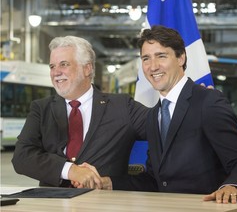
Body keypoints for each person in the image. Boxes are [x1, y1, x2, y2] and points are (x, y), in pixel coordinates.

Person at [85, 25, 237, 204]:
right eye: (146, 58)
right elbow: (155, 180)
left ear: (180, 58)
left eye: (161, 56)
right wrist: (109, 183)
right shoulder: (154, 115)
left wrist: (232, 186)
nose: (153, 66)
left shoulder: (208, 102)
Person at [11, 36, 148, 188]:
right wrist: (70, 170)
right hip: (53, 205)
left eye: (64, 64)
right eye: (52, 66)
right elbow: (21, 157)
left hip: (103, 204)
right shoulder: (42, 109)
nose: (56, 73)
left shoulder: (122, 106)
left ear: (87, 68)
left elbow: (164, 130)